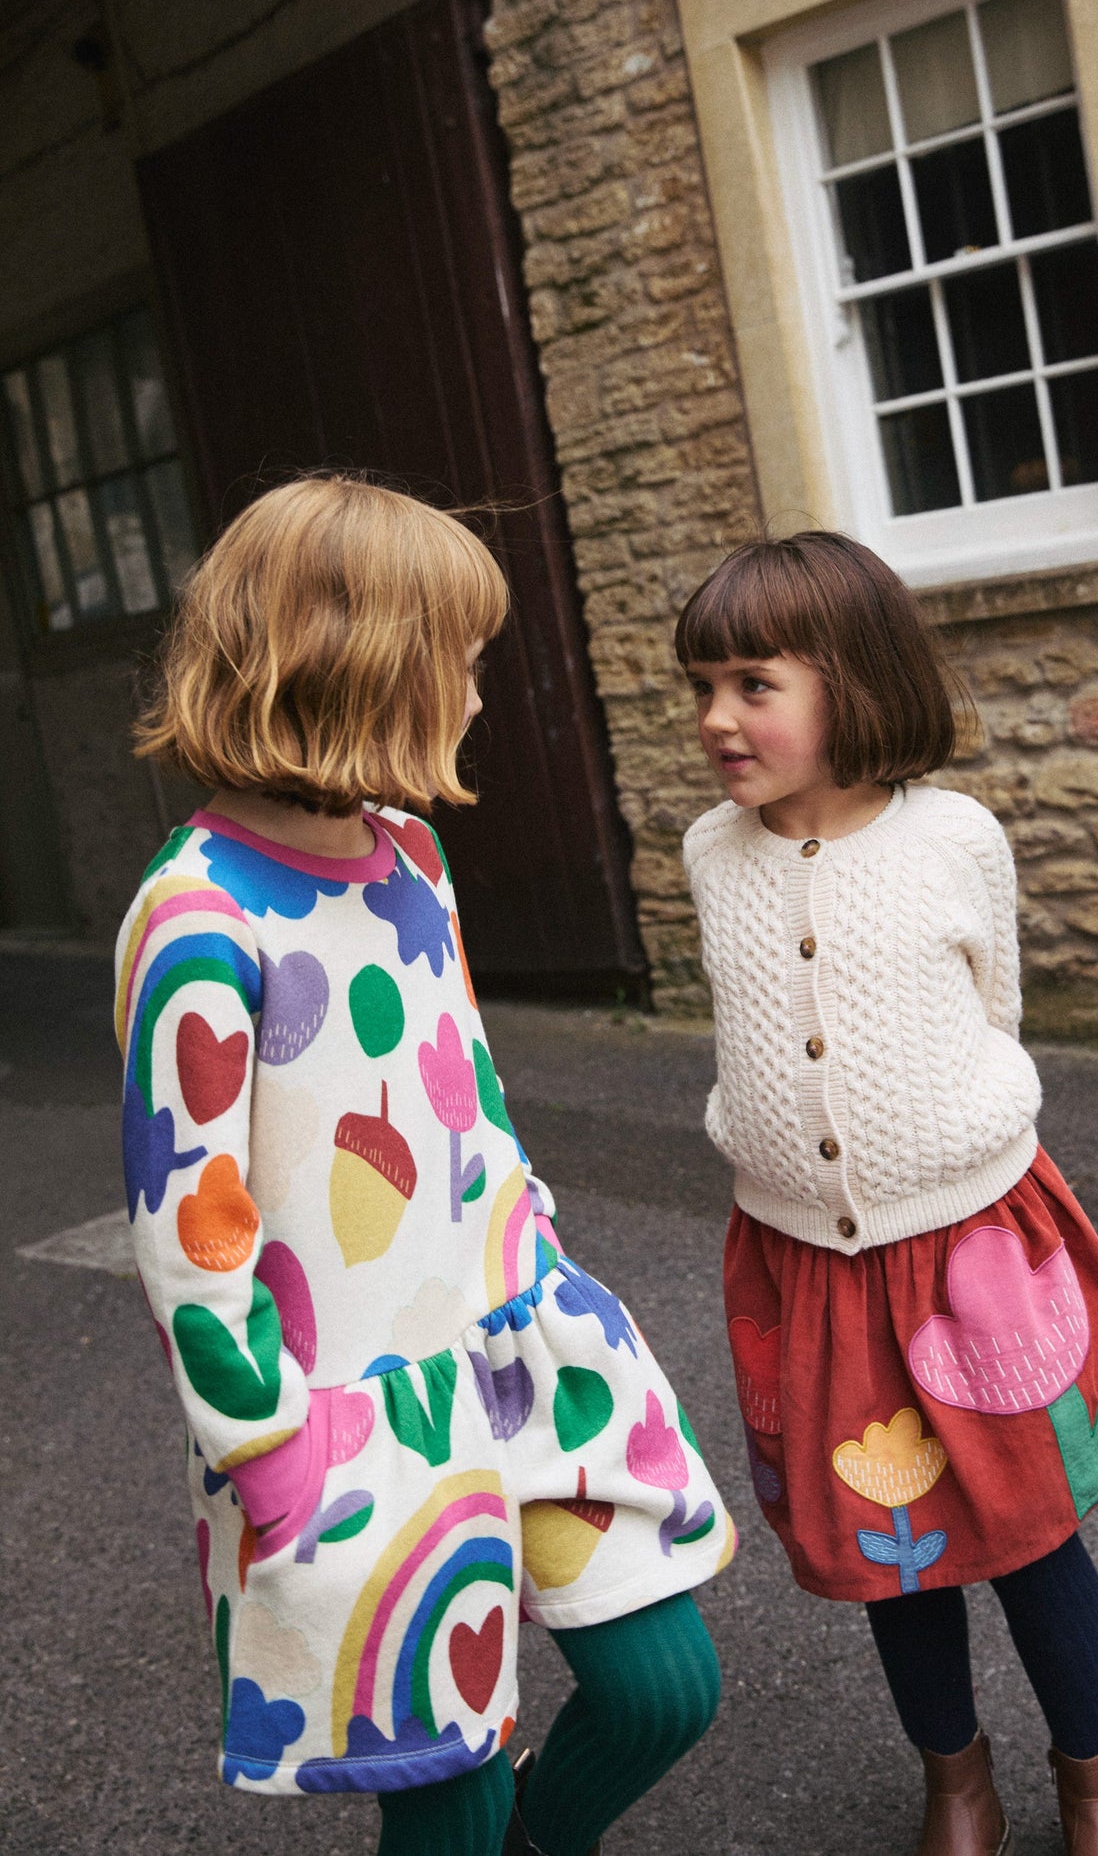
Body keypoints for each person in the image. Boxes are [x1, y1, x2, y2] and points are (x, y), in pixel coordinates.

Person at [117, 476, 733, 1856]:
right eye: (457, 659)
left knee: (660, 1690)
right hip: (344, 1426)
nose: (472, 693)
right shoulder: (198, 917)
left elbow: (467, 1100)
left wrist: (539, 1255)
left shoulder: (413, 853)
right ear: (364, 664)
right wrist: (271, 1458)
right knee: (446, 1793)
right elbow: (188, 1229)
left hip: (519, 1352)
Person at [677, 531, 1098, 1856]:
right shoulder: (709, 855)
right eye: (700, 688)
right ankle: (954, 1775)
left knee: (1027, 1529)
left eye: (752, 685)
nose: (718, 719)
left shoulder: (957, 836)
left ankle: (1091, 1775)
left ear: (854, 682)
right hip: (807, 1264)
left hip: (967, 1252)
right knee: (889, 1537)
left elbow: (991, 1014)